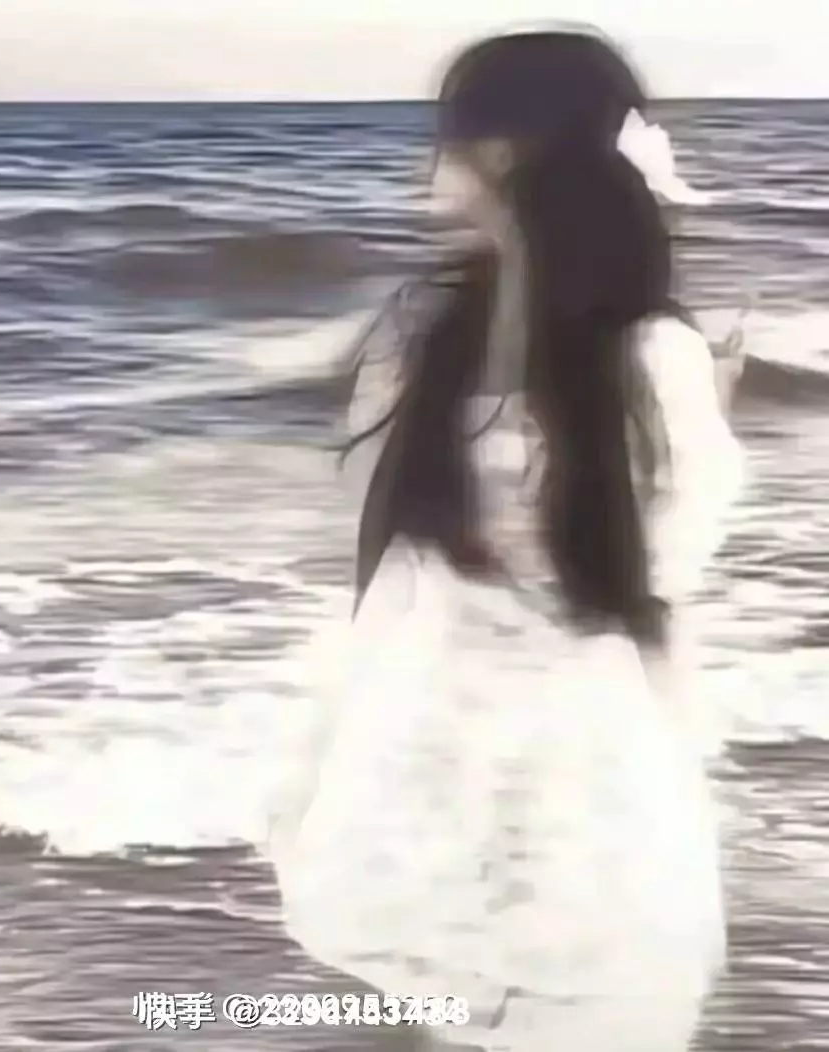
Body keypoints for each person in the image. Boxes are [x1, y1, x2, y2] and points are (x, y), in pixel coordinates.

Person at [263, 26, 745, 1052]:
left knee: (460, 1003)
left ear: (496, 152)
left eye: (445, 134)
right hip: (544, 754)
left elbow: (398, 546)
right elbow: (662, 560)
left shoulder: (430, 336)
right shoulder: (632, 350)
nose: (430, 160)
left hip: (451, 743)